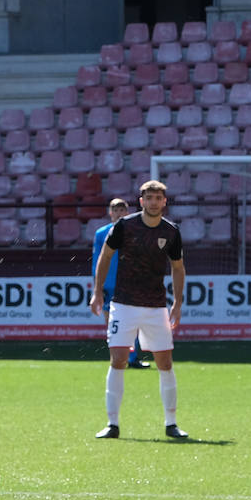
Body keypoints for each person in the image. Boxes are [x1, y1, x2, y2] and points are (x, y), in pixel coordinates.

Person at [89, 180, 187, 439]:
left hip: (156, 306)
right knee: (118, 359)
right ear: (141, 201)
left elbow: (178, 268)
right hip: (123, 304)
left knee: (165, 362)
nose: (154, 202)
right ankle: (112, 424)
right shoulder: (124, 226)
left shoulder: (171, 232)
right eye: (149, 197)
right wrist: (97, 292)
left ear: (164, 202)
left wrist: (177, 302)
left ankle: (171, 423)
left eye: (158, 198)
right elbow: (106, 256)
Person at [91, 197, 149, 369]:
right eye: (115, 210)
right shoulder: (102, 234)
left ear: (126, 212)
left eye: (121, 210)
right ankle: (116, 358)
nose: (118, 213)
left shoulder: (135, 232)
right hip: (109, 285)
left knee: (133, 322)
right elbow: (97, 261)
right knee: (112, 324)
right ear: (110, 213)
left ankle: (132, 358)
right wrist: (98, 288)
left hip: (130, 283)